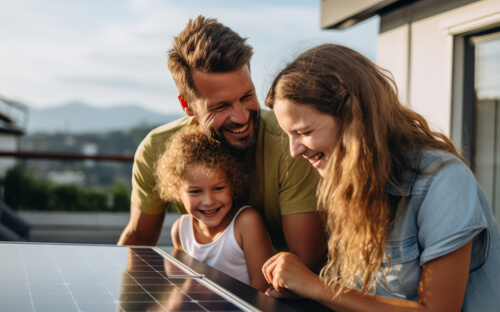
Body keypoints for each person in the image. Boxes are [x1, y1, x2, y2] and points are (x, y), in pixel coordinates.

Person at [262, 44, 500, 311]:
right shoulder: (348, 185)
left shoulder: (444, 181)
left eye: (304, 132)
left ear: (354, 120)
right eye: (289, 135)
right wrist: (311, 292)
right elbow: (360, 298)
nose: (295, 151)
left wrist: (316, 286)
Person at [117, 15, 326, 272]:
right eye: (221, 106)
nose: (241, 116)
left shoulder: (291, 146)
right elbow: (138, 241)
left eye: (247, 96)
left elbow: (306, 264)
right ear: (187, 105)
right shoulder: (156, 150)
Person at [154, 124, 272, 291]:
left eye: (218, 188)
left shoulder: (246, 223)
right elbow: (183, 287)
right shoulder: (180, 230)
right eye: (195, 191)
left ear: (234, 185)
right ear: (177, 193)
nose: (208, 201)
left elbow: (263, 287)